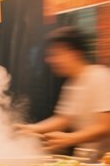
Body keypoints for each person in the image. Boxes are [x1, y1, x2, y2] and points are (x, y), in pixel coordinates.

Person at [16, 26, 110, 158]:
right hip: (86, 160)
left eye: (55, 54)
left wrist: (71, 138)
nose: (49, 60)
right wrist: (30, 129)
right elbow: (64, 119)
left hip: (104, 164)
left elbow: (105, 126)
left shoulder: (100, 76)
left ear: (75, 53)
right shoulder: (72, 82)